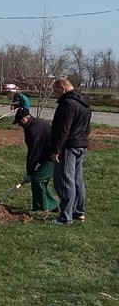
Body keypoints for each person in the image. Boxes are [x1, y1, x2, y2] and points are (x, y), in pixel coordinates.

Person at [50, 78, 91, 225]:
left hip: (69, 146)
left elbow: (64, 129)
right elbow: (87, 126)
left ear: (63, 88)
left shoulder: (67, 104)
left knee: (64, 181)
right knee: (77, 180)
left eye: (56, 91)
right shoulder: (84, 102)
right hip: (81, 144)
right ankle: (78, 212)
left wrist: (56, 149)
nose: (55, 95)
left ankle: (65, 217)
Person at [12, 108, 59, 212]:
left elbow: (34, 152)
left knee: (38, 180)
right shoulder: (33, 125)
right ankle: (53, 206)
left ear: (26, 118)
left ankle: (41, 208)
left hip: (52, 158)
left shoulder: (34, 129)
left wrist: (30, 172)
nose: (19, 125)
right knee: (41, 180)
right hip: (47, 157)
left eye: (20, 121)